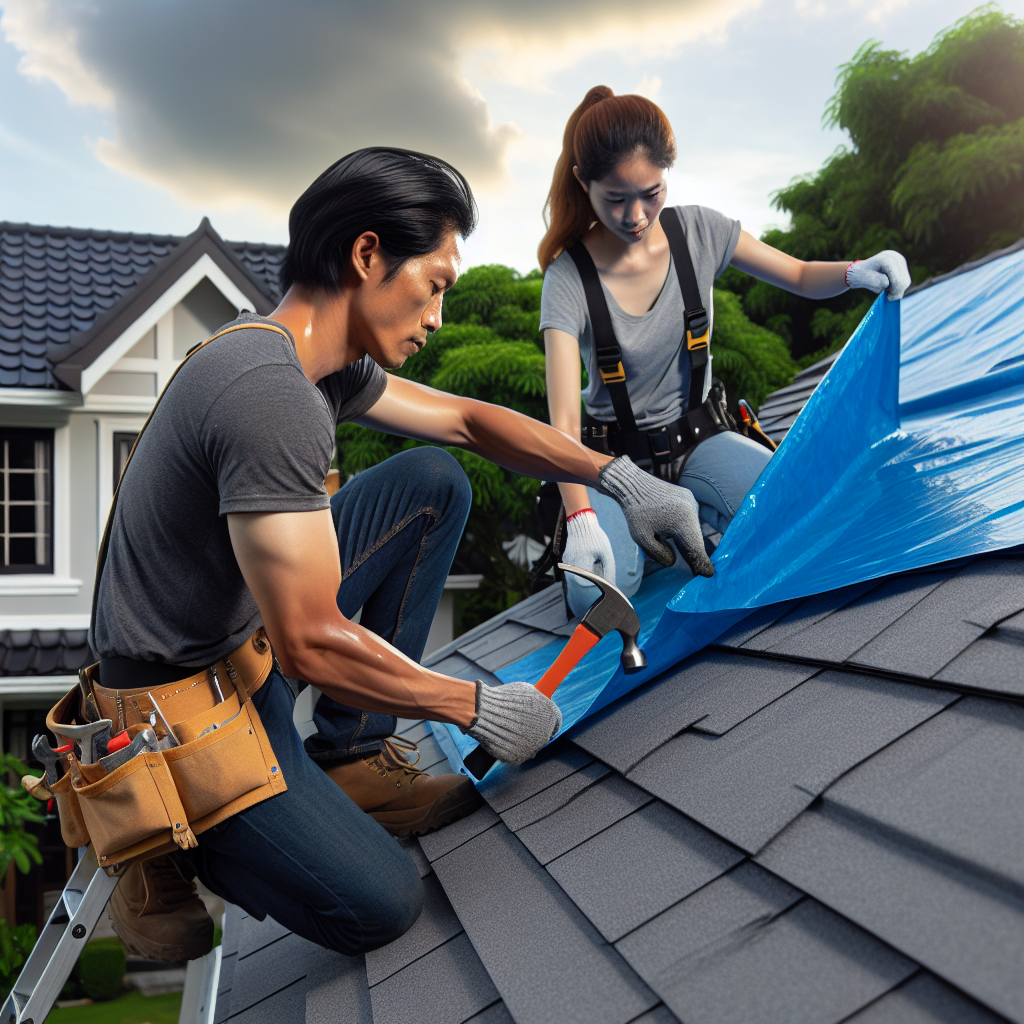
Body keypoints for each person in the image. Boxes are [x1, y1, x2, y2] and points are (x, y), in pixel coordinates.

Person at [89, 147, 712, 963]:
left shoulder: (313, 367)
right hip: (179, 716)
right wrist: (474, 706)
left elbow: (466, 422)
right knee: (382, 905)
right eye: (436, 286)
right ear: (367, 254)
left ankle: (349, 759)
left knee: (432, 480)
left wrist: (616, 476)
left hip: (239, 636)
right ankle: (160, 847)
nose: (438, 317)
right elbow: (311, 642)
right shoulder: (269, 396)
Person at [540, 86, 911, 617]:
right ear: (583, 182)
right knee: (602, 591)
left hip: (699, 439)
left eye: (651, 192)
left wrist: (856, 273)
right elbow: (562, 421)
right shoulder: (567, 278)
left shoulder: (700, 231)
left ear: (668, 173)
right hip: (614, 464)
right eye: (615, 199)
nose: (636, 214)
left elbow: (801, 275)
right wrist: (579, 516)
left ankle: (696, 511)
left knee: (791, 512)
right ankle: (673, 523)